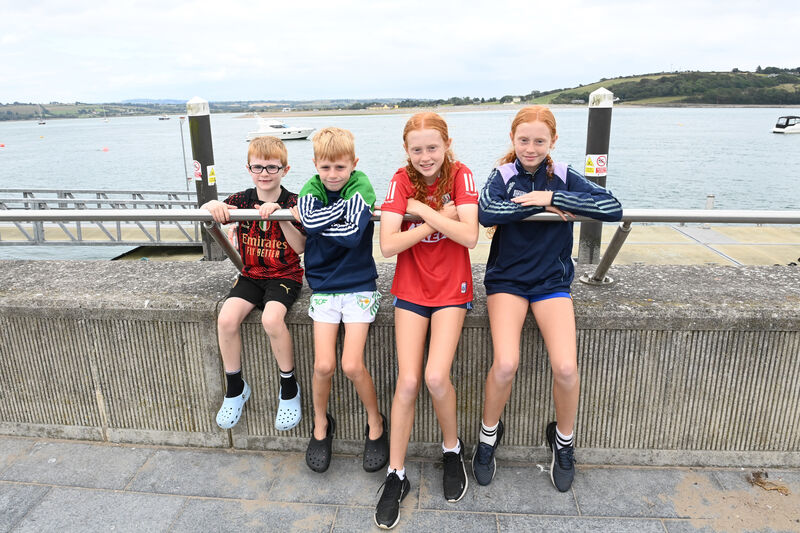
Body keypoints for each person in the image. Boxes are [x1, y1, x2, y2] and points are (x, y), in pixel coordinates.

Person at [472, 105, 622, 492]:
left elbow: (611, 207)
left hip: (552, 282)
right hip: (507, 281)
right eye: (524, 140)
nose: (531, 147)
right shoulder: (503, 175)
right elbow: (487, 212)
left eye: (540, 140)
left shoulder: (566, 175)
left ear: (552, 141)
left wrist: (555, 195)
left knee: (567, 368)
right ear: (513, 139)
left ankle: (564, 440)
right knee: (506, 363)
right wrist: (539, 204)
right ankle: (488, 436)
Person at [375, 112, 479, 529]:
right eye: (416, 149)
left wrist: (418, 213)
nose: (425, 156)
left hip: (452, 288)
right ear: (406, 150)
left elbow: (470, 236)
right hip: (411, 289)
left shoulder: (462, 175)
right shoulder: (401, 180)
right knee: (408, 381)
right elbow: (387, 245)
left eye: (432, 147)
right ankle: (395, 475)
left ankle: (451, 450)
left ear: (447, 144)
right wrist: (432, 215)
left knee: (437, 377)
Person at [292, 127, 388, 475]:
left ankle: (375, 421)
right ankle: (320, 424)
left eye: (340, 168)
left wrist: (318, 223)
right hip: (324, 289)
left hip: (359, 285)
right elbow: (318, 220)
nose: (332, 175)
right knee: (323, 366)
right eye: (326, 168)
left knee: (351, 364)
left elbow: (350, 237)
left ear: (353, 164)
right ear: (316, 164)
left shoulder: (361, 185)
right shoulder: (310, 187)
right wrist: (345, 213)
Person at [202, 135, 307, 432]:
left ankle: (289, 387)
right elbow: (215, 210)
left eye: (272, 167)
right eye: (257, 167)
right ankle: (235, 387)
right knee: (226, 319)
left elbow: (300, 247)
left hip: (284, 275)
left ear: (285, 170)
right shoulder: (242, 200)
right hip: (251, 275)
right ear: (248, 168)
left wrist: (282, 217)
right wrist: (212, 205)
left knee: (272, 319)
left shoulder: (294, 202)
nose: (264, 173)